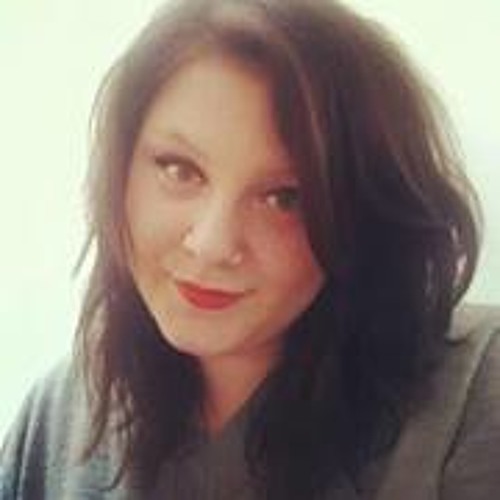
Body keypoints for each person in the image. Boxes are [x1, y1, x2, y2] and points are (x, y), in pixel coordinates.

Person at [1, 0, 500, 498]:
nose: (212, 244)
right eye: (179, 169)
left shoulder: (471, 397)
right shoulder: (63, 411)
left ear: (365, 214)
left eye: (284, 198)